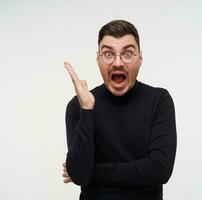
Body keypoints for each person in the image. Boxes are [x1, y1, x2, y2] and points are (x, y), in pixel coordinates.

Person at [62, 19, 177, 200]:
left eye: (128, 54)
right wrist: (86, 111)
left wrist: (95, 172)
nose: (117, 63)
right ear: (98, 58)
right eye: (108, 54)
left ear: (140, 58)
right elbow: (81, 175)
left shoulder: (159, 100)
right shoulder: (78, 106)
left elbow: (160, 170)